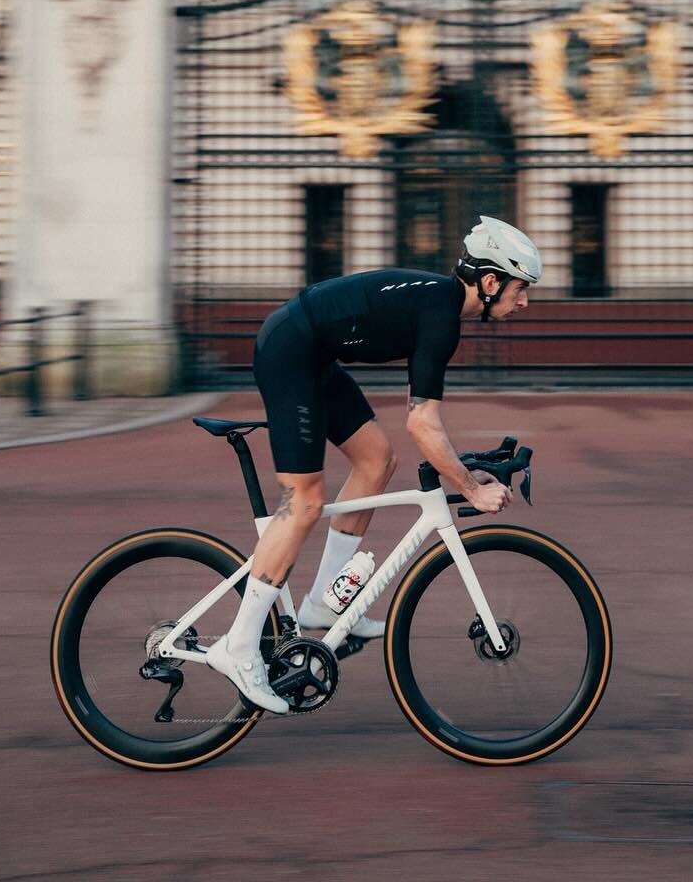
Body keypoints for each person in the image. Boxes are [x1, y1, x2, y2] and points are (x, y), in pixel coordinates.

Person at [204, 215, 542, 713]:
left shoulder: (441, 306)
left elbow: (421, 425)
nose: (525, 300)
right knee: (303, 501)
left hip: (312, 355)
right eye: (521, 288)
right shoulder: (441, 314)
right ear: (490, 283)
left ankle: (323, 599)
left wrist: (464, 471)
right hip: (289, 350)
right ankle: (238, 645)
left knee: (376, 460)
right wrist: (470, 488)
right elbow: (422, 423)